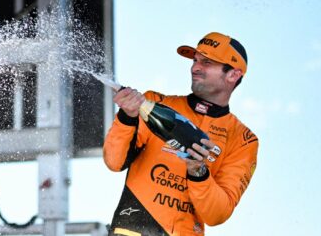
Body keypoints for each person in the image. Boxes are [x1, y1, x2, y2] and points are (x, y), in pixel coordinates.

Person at [104, 32, 258, 236]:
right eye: (195, 60)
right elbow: (114, 162)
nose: (195, 67)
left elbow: (217, 215)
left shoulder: (243, 139)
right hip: (131, 230)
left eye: (207, 62)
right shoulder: (153, 102)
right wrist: (127, 117)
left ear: (233, 75)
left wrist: (198, 172)